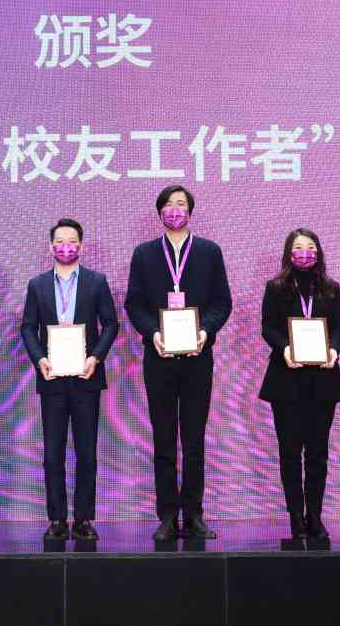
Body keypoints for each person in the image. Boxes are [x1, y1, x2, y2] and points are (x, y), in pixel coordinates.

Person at [124, 185, 232, 540]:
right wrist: (153, 332)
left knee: (195, 440)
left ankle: (195, 514)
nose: (175, 209)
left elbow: (222, 302)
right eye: (169, 204)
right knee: (164, 439)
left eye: (181, 204)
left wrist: (204, 331)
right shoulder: (144, 254)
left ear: (191, 211)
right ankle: (168, 516)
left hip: (198, 357)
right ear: (159, 212)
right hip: (159, 358)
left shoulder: (209, 252)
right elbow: (134, 304)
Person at [20, 219, 119, 541]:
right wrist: (40, 359)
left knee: (87, 452)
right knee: (53, 453)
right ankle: (57, 519)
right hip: (51, 377)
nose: (66, 246)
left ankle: (84, 519)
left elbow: (111, 324)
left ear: (81, 246)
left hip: (86, 376)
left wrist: (95, 357)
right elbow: (28, 327)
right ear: (51, 247)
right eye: (60, 241)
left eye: (72, 240)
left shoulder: (96, 281)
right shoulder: (37, 285)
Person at [259, 229, 340, 539]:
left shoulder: (331, 288)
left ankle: (316, 517)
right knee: (289, 452)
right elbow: (268, 327)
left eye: (311, 247)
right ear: (288, 253)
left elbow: (339, 329)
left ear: (319, 252)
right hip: (286, 379)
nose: (305, 252)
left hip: (323, 379)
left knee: (318, 453)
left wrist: (334, 351)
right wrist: (285, 349)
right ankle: (296, 516)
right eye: (298, 247)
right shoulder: (276, 288)